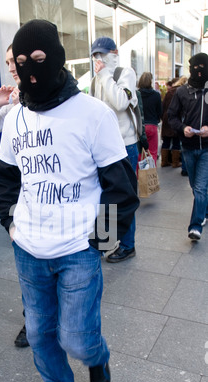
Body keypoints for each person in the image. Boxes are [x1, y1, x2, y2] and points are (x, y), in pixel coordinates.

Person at [0, 19, 139, 382]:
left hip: (78, 248)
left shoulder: (93, 114)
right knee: (39, 333)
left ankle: (97, 357)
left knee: (76, 337)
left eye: (39, 59)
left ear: (56, 59)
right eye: (21, 62)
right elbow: (4, 175)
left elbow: (121, 186)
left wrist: (101, 241)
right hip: (28, 249)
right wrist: (10, 223)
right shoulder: (16, 119)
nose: (30, 70)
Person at [0, 45, 29, 348]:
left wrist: (105, 235)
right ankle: (33, 320)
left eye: (17, 61)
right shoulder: (12, 103)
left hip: (64, 208)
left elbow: (111, 180)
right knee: (28, 269)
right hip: (23, 204)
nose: (11, 67)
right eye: (9, 62)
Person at [89, 36, 139, 263]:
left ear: (114, 52)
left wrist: (104, 75)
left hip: (125, 146)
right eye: (95, 55)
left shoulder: (123, 73)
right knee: (103, 197)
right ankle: (105, 241)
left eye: (103, 54)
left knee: (125, 197)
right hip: (102, 148)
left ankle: (128, 245)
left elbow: (120, 101)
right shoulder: (94, 80)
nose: (99, 59)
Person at [168, 52, 208, 241]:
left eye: (203, 68)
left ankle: (195, 225)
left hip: (207, 147)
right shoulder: (182, 92)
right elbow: (171, 117)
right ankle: (204, 209)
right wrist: (183, 129)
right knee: (195, 185)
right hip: (188, 146)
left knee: (200, 187)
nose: (199, 72)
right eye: (195, 68)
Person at [161, 77, 187, 168]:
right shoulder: (181, 92)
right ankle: (175, 162)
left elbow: (163, 106)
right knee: (176, 141)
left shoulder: (169, 92)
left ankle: (164, 161)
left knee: (166, 141)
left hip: (166, 118)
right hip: (176, 118)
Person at [138, 72, 162, 167]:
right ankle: (151, 176)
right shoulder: (156, 95)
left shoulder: (137, 94)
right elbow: (160, 111)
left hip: (140, 127)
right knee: (152, 153)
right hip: (152, 125)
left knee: (140, 153)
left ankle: (140, 177)